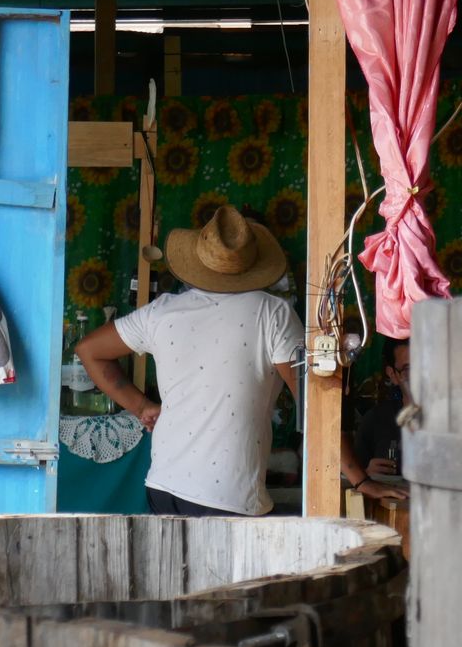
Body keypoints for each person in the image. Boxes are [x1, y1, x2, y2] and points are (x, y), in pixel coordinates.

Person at [76, 204, 301, 517]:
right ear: (256, 262)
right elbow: (314, 405)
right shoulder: (272, 313)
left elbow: (89, 350)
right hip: (228, 495)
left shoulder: (162, 311)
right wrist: (358, 479)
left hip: (164, 484)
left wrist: (141, 407)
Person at [353, 339, 410, 480]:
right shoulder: (376, 420)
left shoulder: (451, 418)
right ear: (393, 375)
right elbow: (353, 478)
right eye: (408, 369)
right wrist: (366, 475)